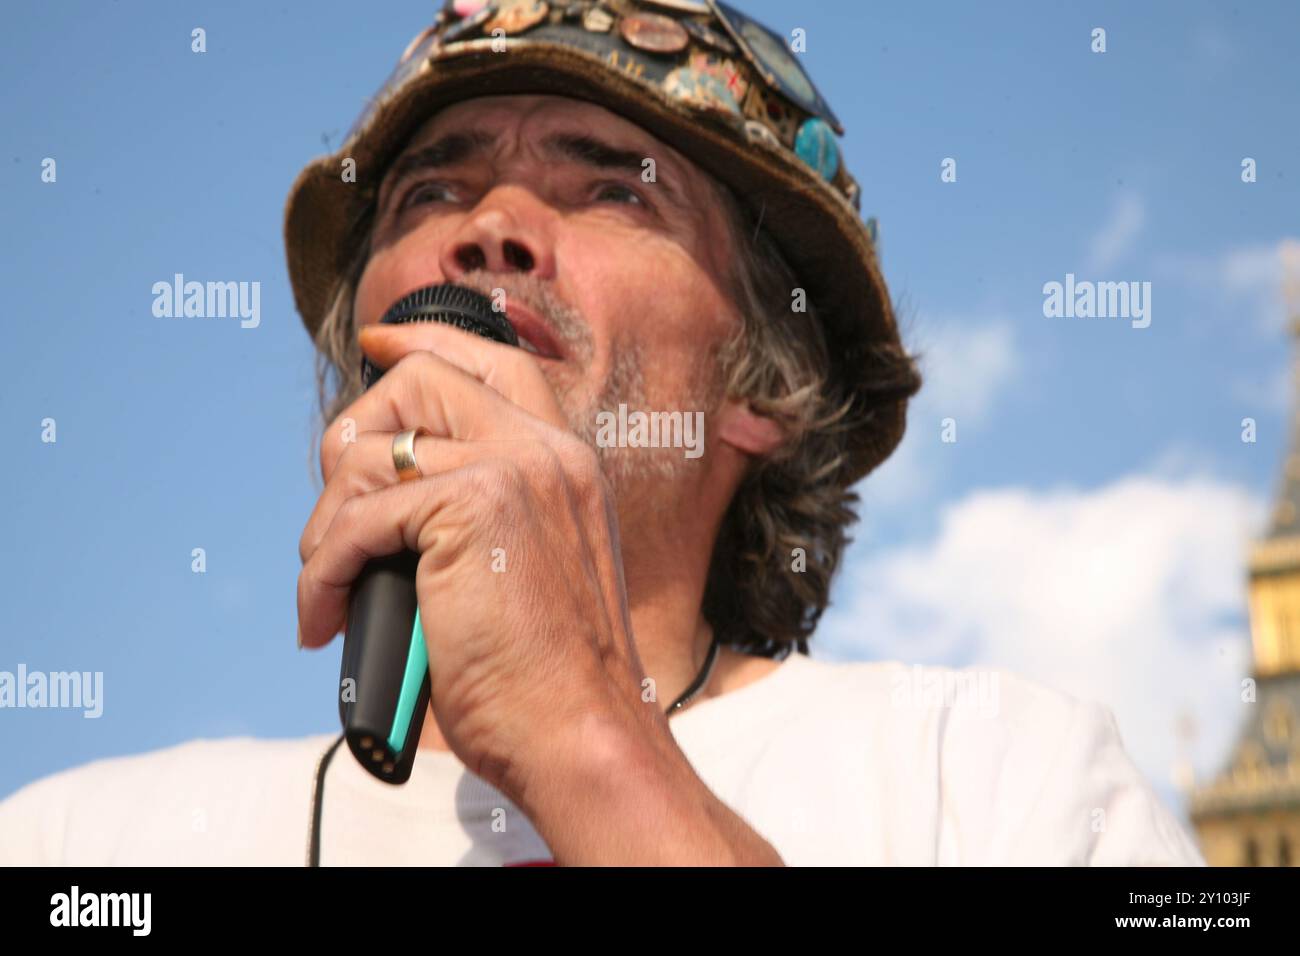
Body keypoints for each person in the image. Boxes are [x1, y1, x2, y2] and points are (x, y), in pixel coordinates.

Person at [0, 0, 1203, 866]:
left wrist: (585, 733)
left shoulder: (998, 785)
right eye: (430, 188)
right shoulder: (78, 845)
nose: (492, 226)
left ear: (764, 390)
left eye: (615, 185)